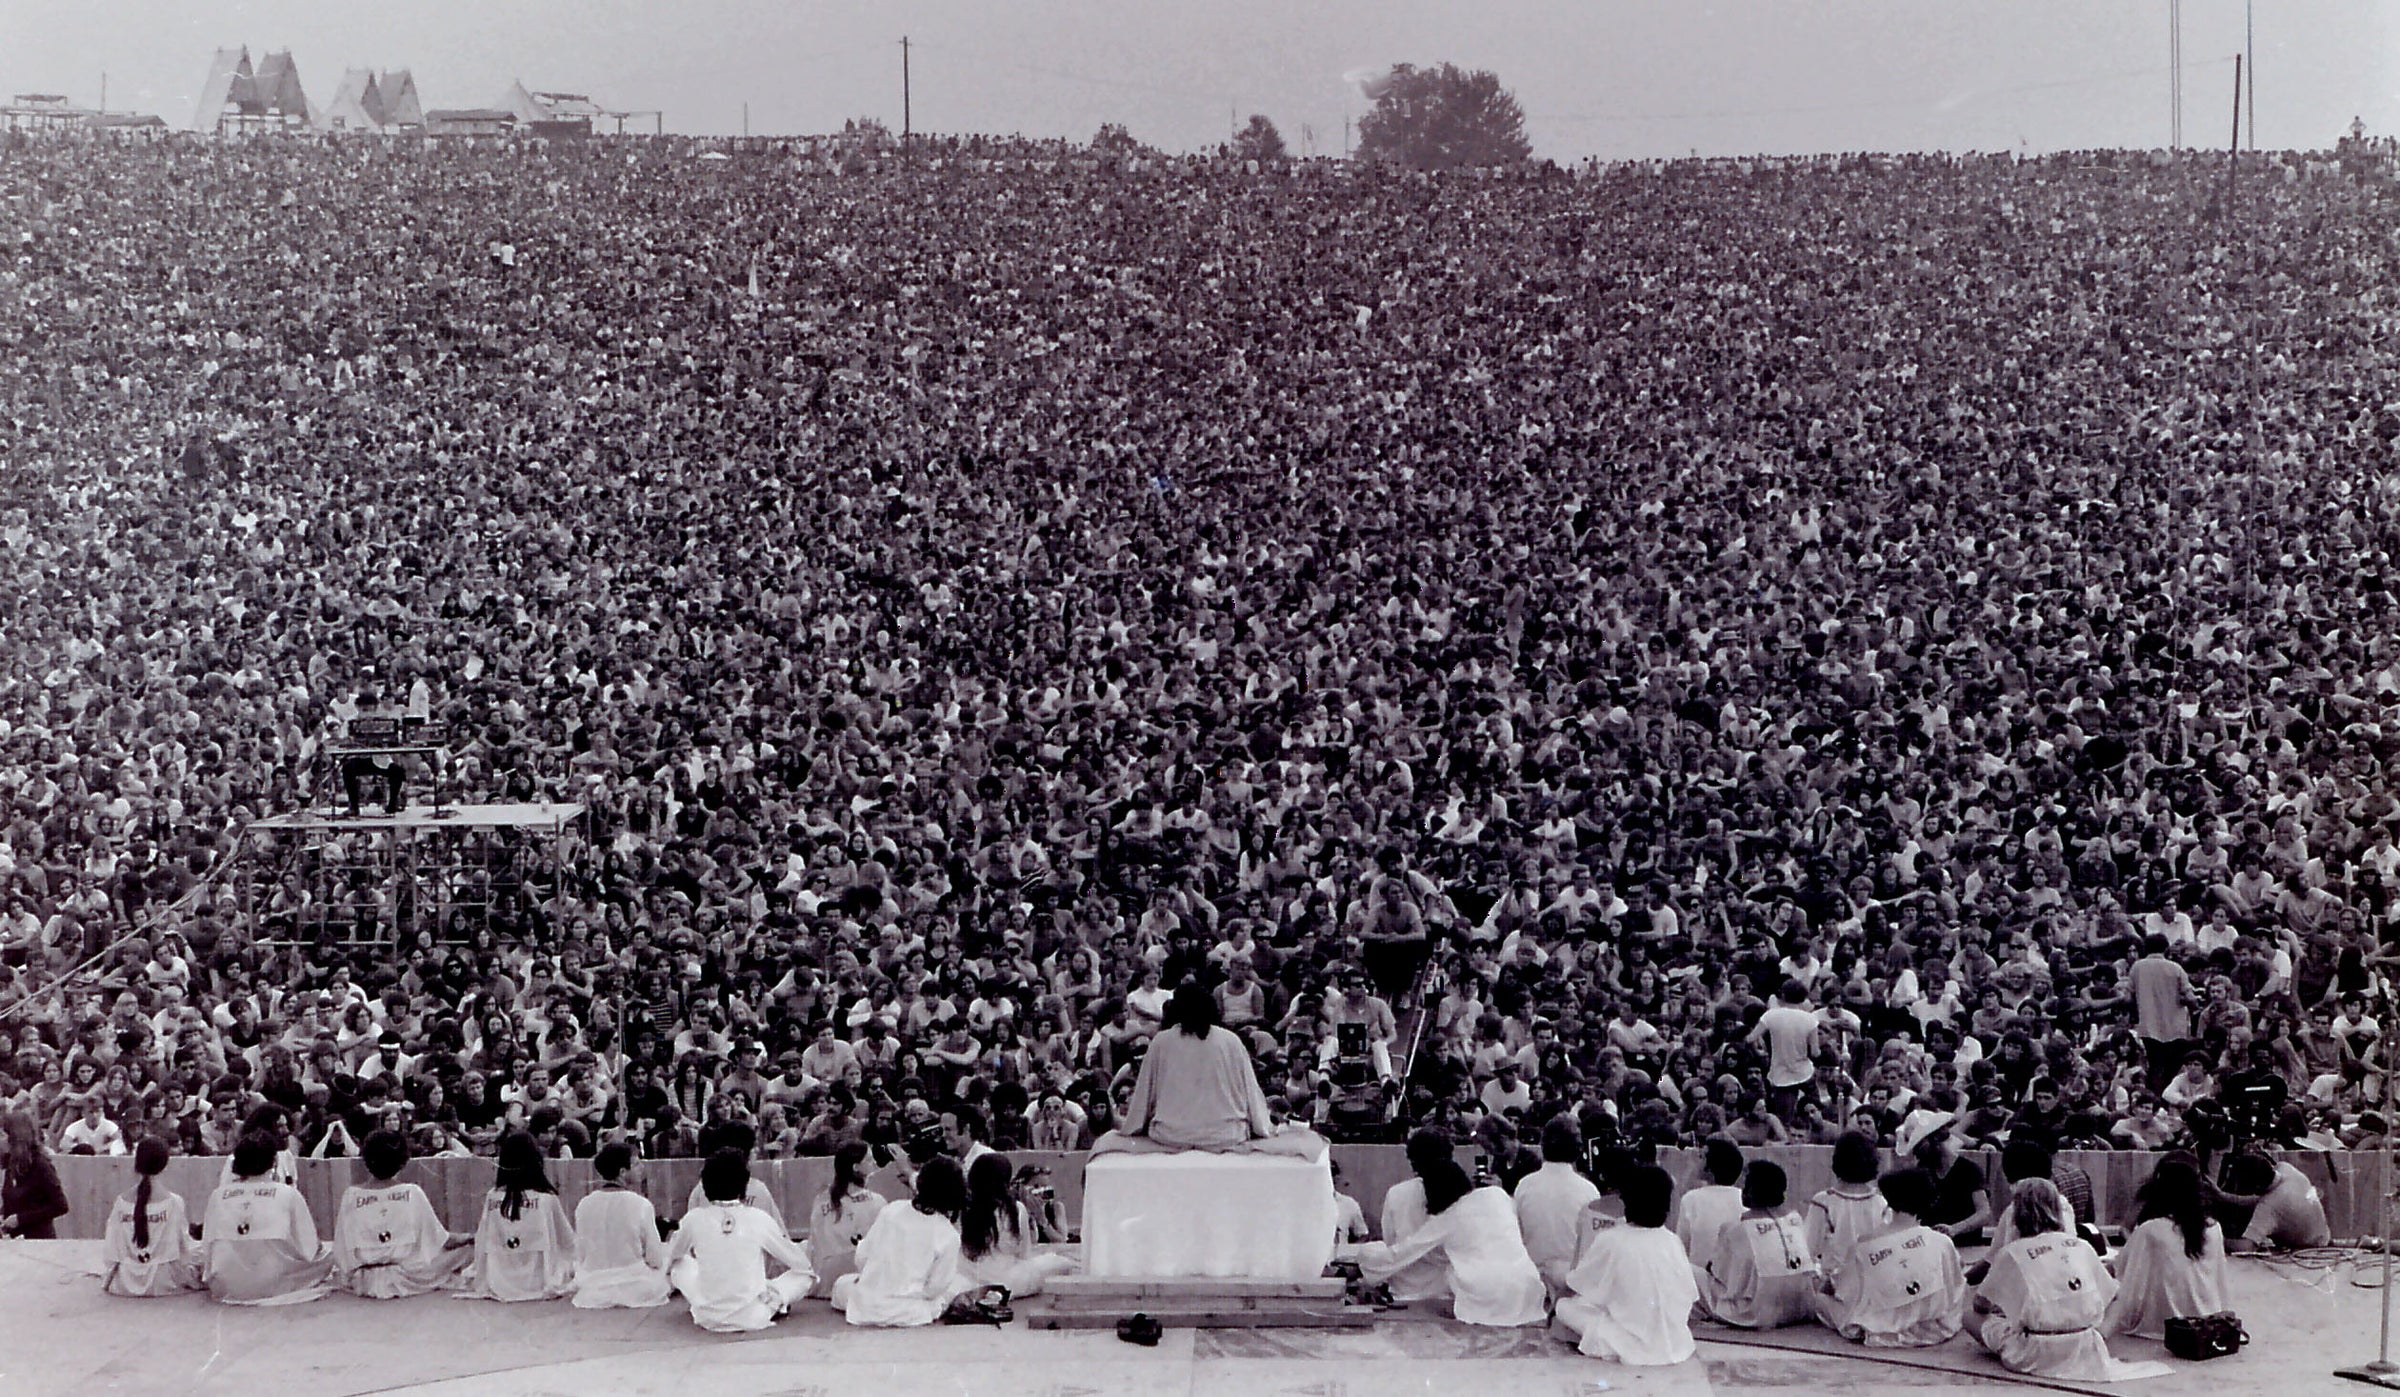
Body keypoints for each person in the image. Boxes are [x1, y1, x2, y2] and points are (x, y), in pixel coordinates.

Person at [1972, 1180, 2170, 1382]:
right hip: (2086, 1344)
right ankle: (2097, 1336)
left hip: (2034, 1351)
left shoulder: (2011, 1253)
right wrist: (2101, 1333)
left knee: (1970, 1316)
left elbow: (1980, 1305)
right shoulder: (2082, 1246)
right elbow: (2117, 1297)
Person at [1097, 982, 1322, 1157]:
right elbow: (1252, 1094)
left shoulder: (1161, 1042)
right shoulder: (1230, 1040)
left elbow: (1143, 1098)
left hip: (1172, 1135)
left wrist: (1132, 1127)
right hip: (1226, 1135)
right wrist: (1263, 1126)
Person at [1347, 1154, 1546, 1326]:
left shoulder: (1448, 1219)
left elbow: (1400, 1254)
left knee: (1452, 1268)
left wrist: (1364, 1261)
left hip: (1487, 1295)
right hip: (1530, 1288)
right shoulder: (1497, 1194)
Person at [1553, 1164, 1699, 1364]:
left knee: (1565, 1307)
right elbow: (1689, 1296)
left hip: (1631, 1345)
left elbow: (1574, 1286)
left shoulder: (1612, 1239)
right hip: (1677, 1342)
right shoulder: (1672, 1240)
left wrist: (1555, 1305)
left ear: (1627, 1201)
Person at [1812, 1166, 1965, 1348]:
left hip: (1882, 1325)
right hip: (1935, 1326)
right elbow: (1956, 1286)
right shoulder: (1942, 1242)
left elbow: (1844, 1290)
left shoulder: (1865, 1245)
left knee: (1820, 1299)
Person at [667, 1149, 817, 1332]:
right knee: (806, 1276)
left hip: (707, 1315)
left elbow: (673, 1256)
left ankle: (711, 1300)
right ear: (744, 1184)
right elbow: (800, 1264)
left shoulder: (693, 1218)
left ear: (705, 1185)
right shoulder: (758, 1217)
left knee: (679, 1264)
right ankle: (773, 1300)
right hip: (754, 1315)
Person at [833, 1155, 975, 1327]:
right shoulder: (948, 1234)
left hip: (866, 1307)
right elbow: (934, 1289)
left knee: (842, 1283)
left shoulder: (891, 1210)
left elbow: (862, 1259)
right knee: (958, 1284)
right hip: (911, 1312)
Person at [331, 1128, 472, 1298]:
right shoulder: (412, 1192)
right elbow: (441, 1240)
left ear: (366, 1160)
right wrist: (469, 1238)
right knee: (469, 1249)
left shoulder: (351, 1195)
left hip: (363, 1279)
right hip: (408, 1276)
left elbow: (341, 1250)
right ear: (403, 1162)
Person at [199, 1131, 334, 1305]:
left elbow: (208, 1245)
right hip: (274, 1279)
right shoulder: (288, 1193)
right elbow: (308, 1248)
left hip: (227, 1283)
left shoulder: (218, 1195)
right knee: (330, 1252)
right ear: (274, 1161)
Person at [2106, 1155, 2228, 1339]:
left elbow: (2122, 1272)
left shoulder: (2151, 1229)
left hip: (2160, 1319)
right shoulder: (2214, 1228)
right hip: (2207, 1314)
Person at [457, 1130, 576, 1301]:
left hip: (498, 1277)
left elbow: (482, 1241)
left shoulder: (493, 1197)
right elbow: (567, 1242)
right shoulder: (546, 1199)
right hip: (537, 1279)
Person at [1699, 1161, 1818, 1329]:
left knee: (1692, 1275)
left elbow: (1716, 1272)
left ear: (1750, 1190)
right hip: (1802, 1308)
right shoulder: (1795, 1219)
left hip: (1754, 1313)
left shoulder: (1735, 1229)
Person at [958, 1153, 1078, 1297]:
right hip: (1008, 1278)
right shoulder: (1016, 1209)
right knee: (1062, 1262)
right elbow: (1024, 1256)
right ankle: (1000, 1292)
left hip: (969, 1277)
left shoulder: (960, 1210)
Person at [571, 1141, 672, 1309]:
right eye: (636, 1163)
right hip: (636, 1285)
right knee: (678, 1260)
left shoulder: (584, 1204)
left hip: (593, 1285)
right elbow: (655, 1259)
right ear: (623, 1172)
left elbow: (581, 1254)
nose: (641, 1167)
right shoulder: (641, 1204)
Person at [101, 1138, 203, 1297]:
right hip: (162, 1281)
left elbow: (111, 1249)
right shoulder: (174, 1202)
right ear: (165, 1165)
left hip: (124, 1282)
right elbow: (183, 1249)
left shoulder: (121, 1202)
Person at [1511, 1116, 1599, 1294]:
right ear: (1578, 1149)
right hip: (1568, 1280)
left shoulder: (1524, 1185)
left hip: (1531, 1277)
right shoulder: (1589, 1191)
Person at [1376, 1128, 1463, 1304]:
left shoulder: (1396, 1193)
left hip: (1403, 1292)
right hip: (1447, 1294)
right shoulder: (1462, 1195)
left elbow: (1390, 1242)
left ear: (1412, 1160)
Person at [1804, 1130, 1894, 1289]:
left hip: (1836, 1289)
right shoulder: (1882, 1203)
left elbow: (1807, 1251)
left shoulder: (1824, 1202)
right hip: (1874, 1289)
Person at [804, 1140, 888, 1299]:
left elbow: (813, 1244)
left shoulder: (820, 1199)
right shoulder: (877, 1202)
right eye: (869, 1160)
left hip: (825, 1278)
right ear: (856, 1168)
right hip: (858, 1276)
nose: (875, 1163)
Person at [2220, 1147, 2333, 1252]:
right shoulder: (2286, 1168)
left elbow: (2247, 1247)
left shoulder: (2269, 1207)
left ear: (2255, 1187)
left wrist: (2217, 1240)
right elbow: (2260, 1200)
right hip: (2324, 1237)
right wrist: (2221, 1196)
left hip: (2308, 1252)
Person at [1673, 1137, 1747, 1286]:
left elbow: (1681, 1248)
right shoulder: (1744, 1197)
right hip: (1735, 1282)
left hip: (1700, 1284)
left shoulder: (1691, 1199)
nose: (1696, 1161)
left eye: (1701, 1157)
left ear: (1710, 1169)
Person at [0, 1109, 68, 1240]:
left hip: (39, 1241)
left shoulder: (40, 1165)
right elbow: (14, 1201)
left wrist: (21, 1218)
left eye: (2, 1134)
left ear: (16, 1136)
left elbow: (61, 1206)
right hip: (15, 1240)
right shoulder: (12, 1163)